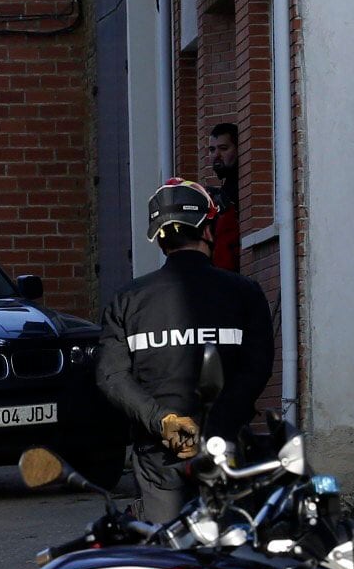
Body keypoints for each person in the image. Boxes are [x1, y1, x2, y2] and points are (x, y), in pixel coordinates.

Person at [97, 180, 276, 523]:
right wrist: (216, 426)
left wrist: (163, 421)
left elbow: (111, 377)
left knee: (169, 562)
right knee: (227, 555)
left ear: (160, 239)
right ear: (207, 231)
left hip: (159, 457)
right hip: (226, 450)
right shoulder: (244, 293)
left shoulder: (127, 300)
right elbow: (257, 368)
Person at [206, 122, 243, 271]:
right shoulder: (222, 192)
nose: (216, 155)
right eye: (212, 149)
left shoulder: (244, 186)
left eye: (223, 148)